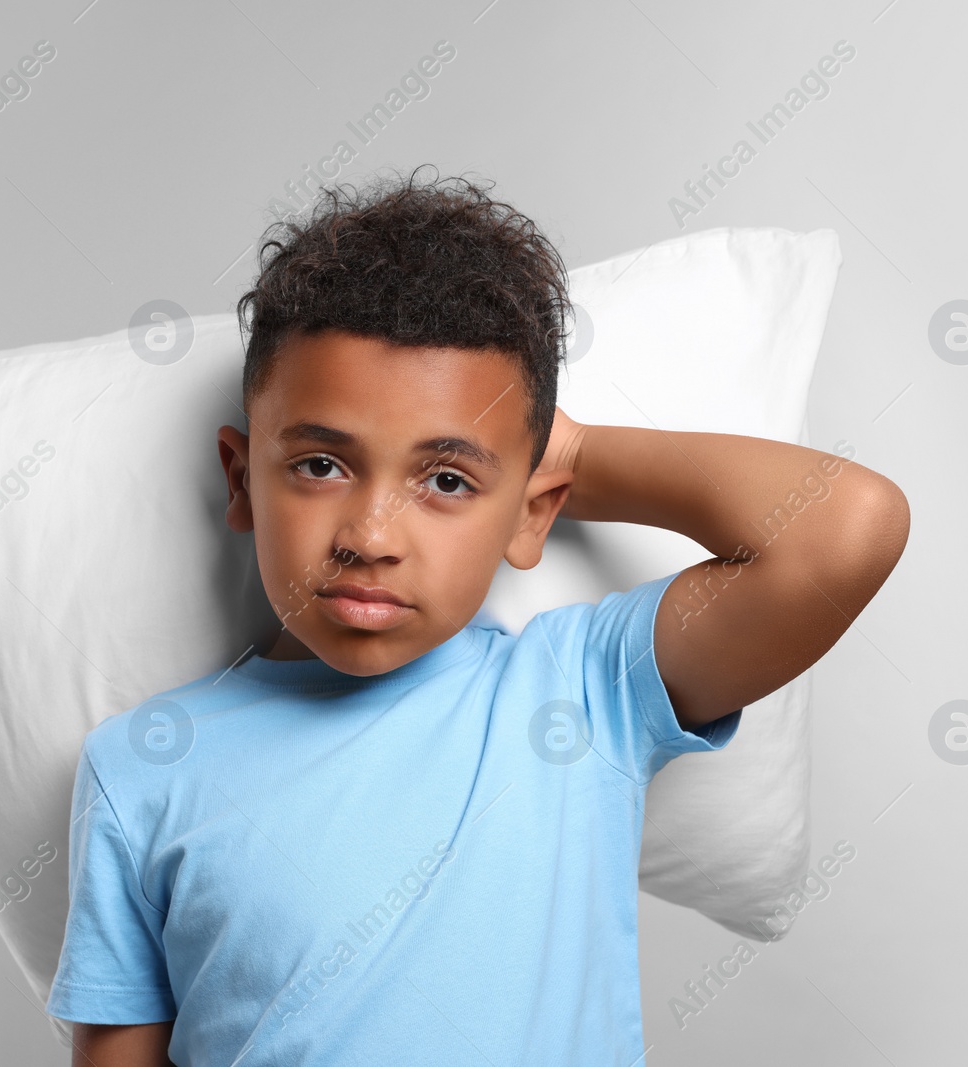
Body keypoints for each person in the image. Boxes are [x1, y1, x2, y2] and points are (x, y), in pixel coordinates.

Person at [44, 164, 910, 1066]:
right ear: (241, 479)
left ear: (534, 511)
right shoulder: (143, 768)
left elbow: (846, 528)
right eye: (320, 466)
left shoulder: (580, 693)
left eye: (447, 480)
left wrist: (571, 453)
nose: (371, 537)